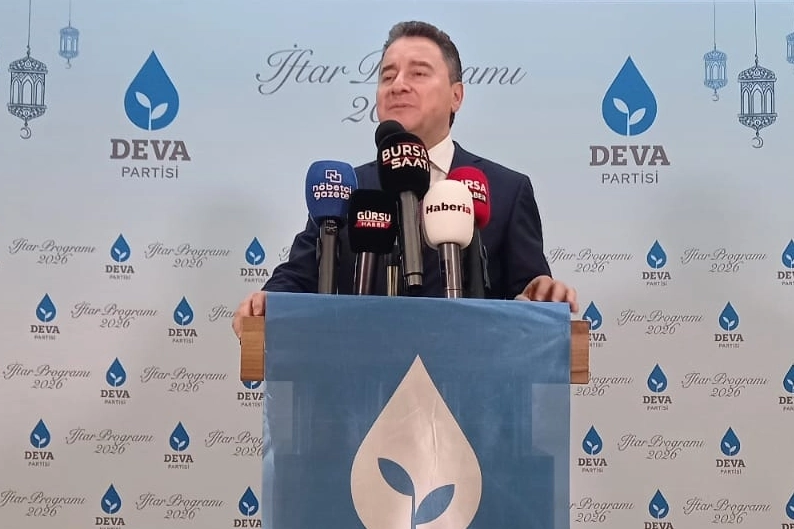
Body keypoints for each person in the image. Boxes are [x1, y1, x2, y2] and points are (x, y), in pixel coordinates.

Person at [232, 20, 577, 339]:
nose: (398, 85)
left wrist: (537, 295)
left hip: (470, 376)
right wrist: (268, 302)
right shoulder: (347, 189)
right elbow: (297, 278)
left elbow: (529, 295)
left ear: (456, 96)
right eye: (387, 76)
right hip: (358, 373)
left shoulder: (507, 190)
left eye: (418, 73)